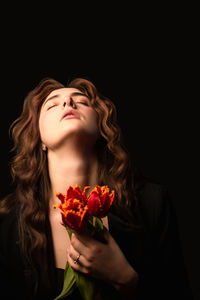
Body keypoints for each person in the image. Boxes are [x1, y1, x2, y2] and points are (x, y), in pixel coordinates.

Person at [0, 77, 193, 300]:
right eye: (52, 104)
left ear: (100, 127)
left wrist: (126, 279)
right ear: (38, 138)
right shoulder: (8, 225)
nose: (68, 103)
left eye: (81, 101)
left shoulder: (152, 203)